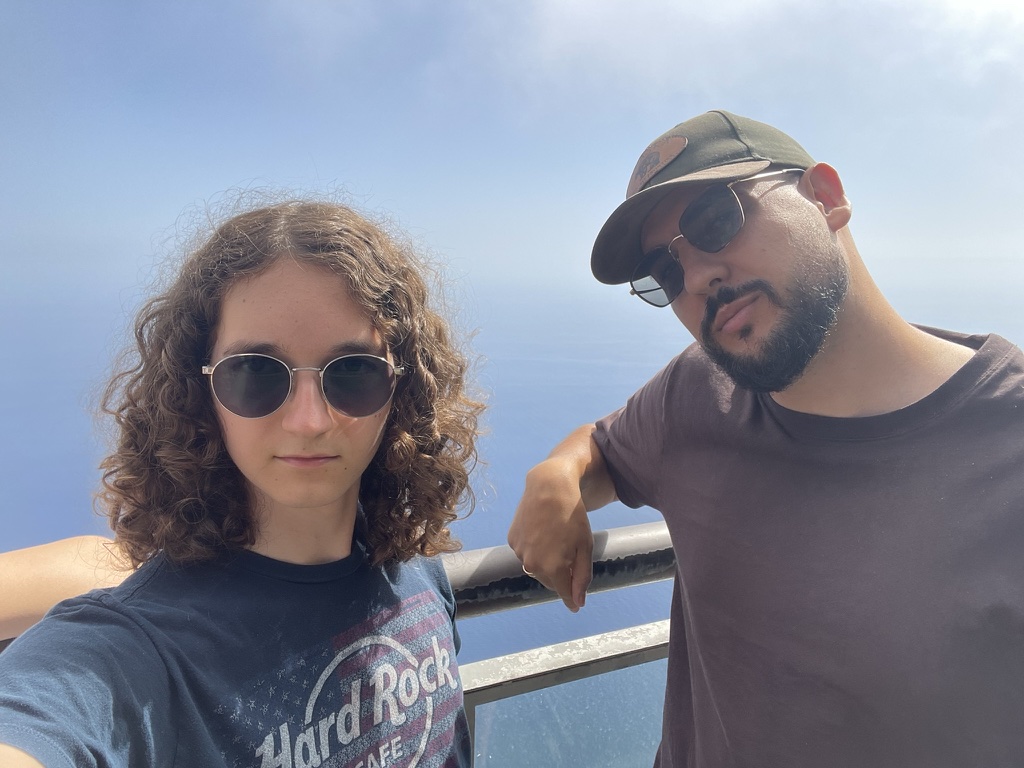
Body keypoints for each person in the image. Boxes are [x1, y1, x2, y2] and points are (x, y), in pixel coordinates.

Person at [507, 110, 1024, 767]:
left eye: (715, 220)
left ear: (825, 197)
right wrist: (557, 473)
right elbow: (605, 445)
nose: (695, 280)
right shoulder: (697, 397)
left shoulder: (1007, 442)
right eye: (665, 275)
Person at [0, 200, 481, 767]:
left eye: (352, 371)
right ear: (200, 393)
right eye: (255, 372)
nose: (310, 420)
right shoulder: (138, 654)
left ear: (402, 389)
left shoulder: (418, 576)